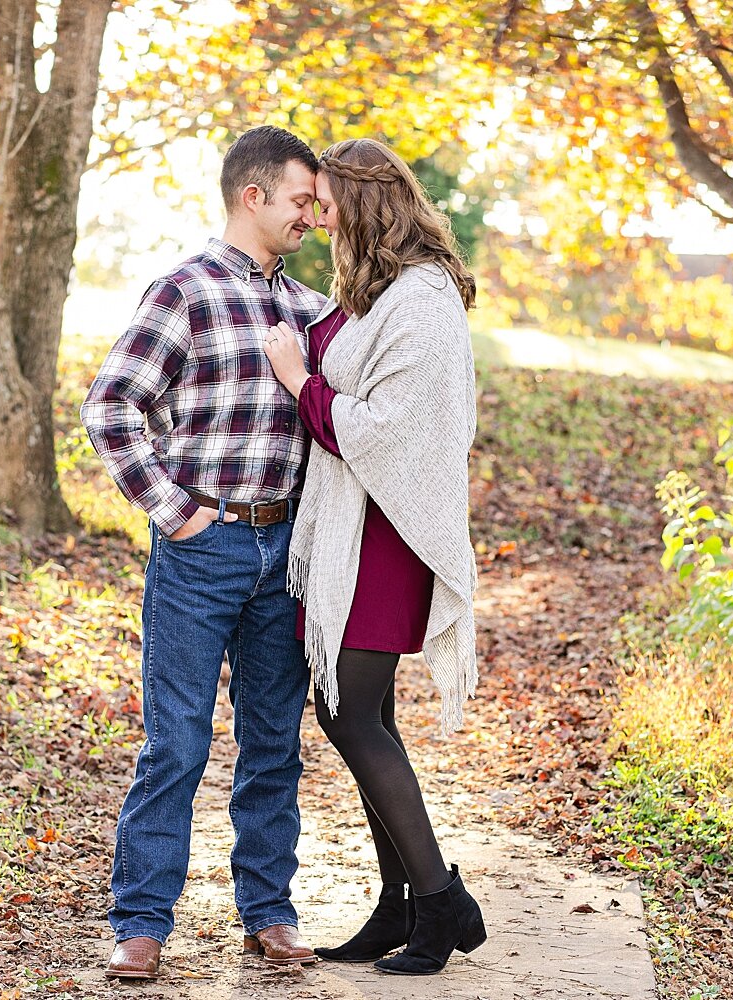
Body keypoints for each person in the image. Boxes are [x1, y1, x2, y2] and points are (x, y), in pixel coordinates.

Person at [80, 125, 330, 980]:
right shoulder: (184, 291)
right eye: (302, 198)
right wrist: (177, 513)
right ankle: (142, 921)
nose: (313, 215)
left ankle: (270, 911)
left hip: (284, 553)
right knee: (177, 742)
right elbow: (111, 406)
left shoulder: (308, 310)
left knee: (273, 742)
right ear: (252, 196)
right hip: (201, 550)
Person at [260, 137, 485, 976]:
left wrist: (299, 382)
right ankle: (400, 903)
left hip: (389, 533)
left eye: (324, 205)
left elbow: (386, 433)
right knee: (359, 714)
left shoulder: (423, 296)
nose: (317, 219)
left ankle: (441, 903)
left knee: (353, 716)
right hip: (361, 530)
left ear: (363, 204)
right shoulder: (385, 289)